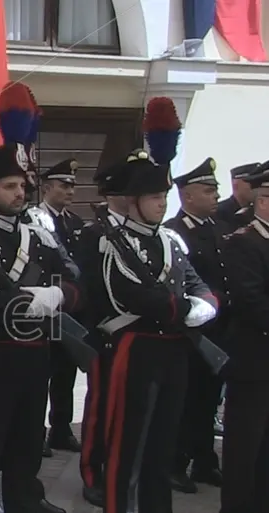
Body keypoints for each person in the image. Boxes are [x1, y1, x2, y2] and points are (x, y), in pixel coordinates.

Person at [82, 97, 218, 513]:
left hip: (174, 350)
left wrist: (206, 306)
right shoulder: (106, 238)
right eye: (154, 196)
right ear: (131, 200)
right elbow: (130, 292)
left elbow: (200, 284)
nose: (162, 202)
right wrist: (183, 308)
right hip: (133, 349)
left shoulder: (171, 240)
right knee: (127, 445)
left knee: (162, 446)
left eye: (163, 195)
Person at [0, 82, 78, 513]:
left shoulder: (40, 233)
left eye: (22, 185)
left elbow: (75, 280)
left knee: (27, 441)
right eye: (9, 186)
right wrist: (27, 301)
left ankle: (24, 503)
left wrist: (56, 294)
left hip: (35, 351)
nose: (20, 194)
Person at [164, 157, 229, 494]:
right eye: (208, 190)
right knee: (185, 402)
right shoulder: (176, 232)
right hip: (191, 332)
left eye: (215, 190)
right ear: (187, 196)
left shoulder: (214, 227)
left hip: (217, 331)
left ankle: (205, 461)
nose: (216, 195)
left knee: (207, 401)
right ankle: (175, 463)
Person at [75, 162, 132, 508]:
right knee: (100, 408)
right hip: (104, 335)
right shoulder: (94, 234)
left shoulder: (138, 232)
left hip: (135, 341)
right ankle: (92, 472)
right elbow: (89, 288)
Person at [218, 168, 269, 513]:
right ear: (262, 202)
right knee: (244, 445)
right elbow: (251, 300)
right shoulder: (244, 241)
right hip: (255, 359)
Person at [34, 158, 87, 454]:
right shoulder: (34, 219)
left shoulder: (74, 222)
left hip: (69, 309)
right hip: (44, 308)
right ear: (47, 187)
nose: (70, 191)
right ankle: (36, 430)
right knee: (42, 373)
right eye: (64, 185)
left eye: (73, 186)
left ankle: (61, 428)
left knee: (66, 374)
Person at [216, 162, 259, 226]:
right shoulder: (219, 212)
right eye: (252, 183)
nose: (256, 187)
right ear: (235, 184)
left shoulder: (256, 213)